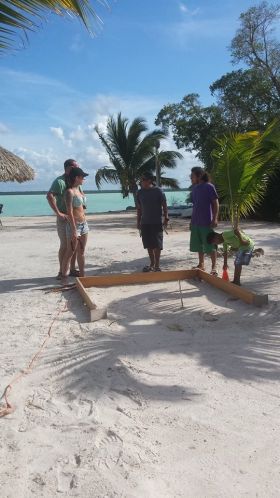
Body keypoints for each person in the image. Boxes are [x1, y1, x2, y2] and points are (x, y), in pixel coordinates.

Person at [46, 159, 81, 279]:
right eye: (75, 166)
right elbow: (49, 196)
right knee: (65, 246)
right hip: (64, 218)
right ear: (68, 167)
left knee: (74, 246)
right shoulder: (60, 181)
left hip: (75, 218)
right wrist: (58, 213)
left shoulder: (75, 179)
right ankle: (61, 272)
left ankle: (72, 269)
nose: (77, 168)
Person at [61, 167, 89, 283]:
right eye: (82, 177)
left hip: (84, 225)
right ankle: (64, 277)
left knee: (81, 251)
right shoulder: (69, 192)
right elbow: (70, 212)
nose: (84, 179)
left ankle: (83, 277)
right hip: (74, 226)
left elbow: (82, 208)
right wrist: (73, 230)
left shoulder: (80, 191)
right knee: (70, 251)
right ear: (76, 178)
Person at [189, 166, 219, 275]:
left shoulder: (209, 187)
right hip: (196, 222)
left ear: (199, 175)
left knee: (210, 245)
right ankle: (201, 264)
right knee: (198, 245)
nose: (191, 178)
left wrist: (215, 218)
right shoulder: (195, 189)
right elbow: (195, 206)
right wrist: (191, 222)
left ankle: (214, 267)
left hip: (207, 222)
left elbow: (215, 203)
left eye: (192, 176)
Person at [136, 172, 169, 272]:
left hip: (156, 222)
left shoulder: (158, 191)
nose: (142, 182)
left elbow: (164, 205)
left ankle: (157, 265)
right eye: (141, 180)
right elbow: (139, 209)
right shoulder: (139, 192)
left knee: (157, 244)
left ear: (150, 180)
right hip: (145, 222)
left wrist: (166, 218)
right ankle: (152, 263)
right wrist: (138, 222)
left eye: (144, 180)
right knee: (148, 244)